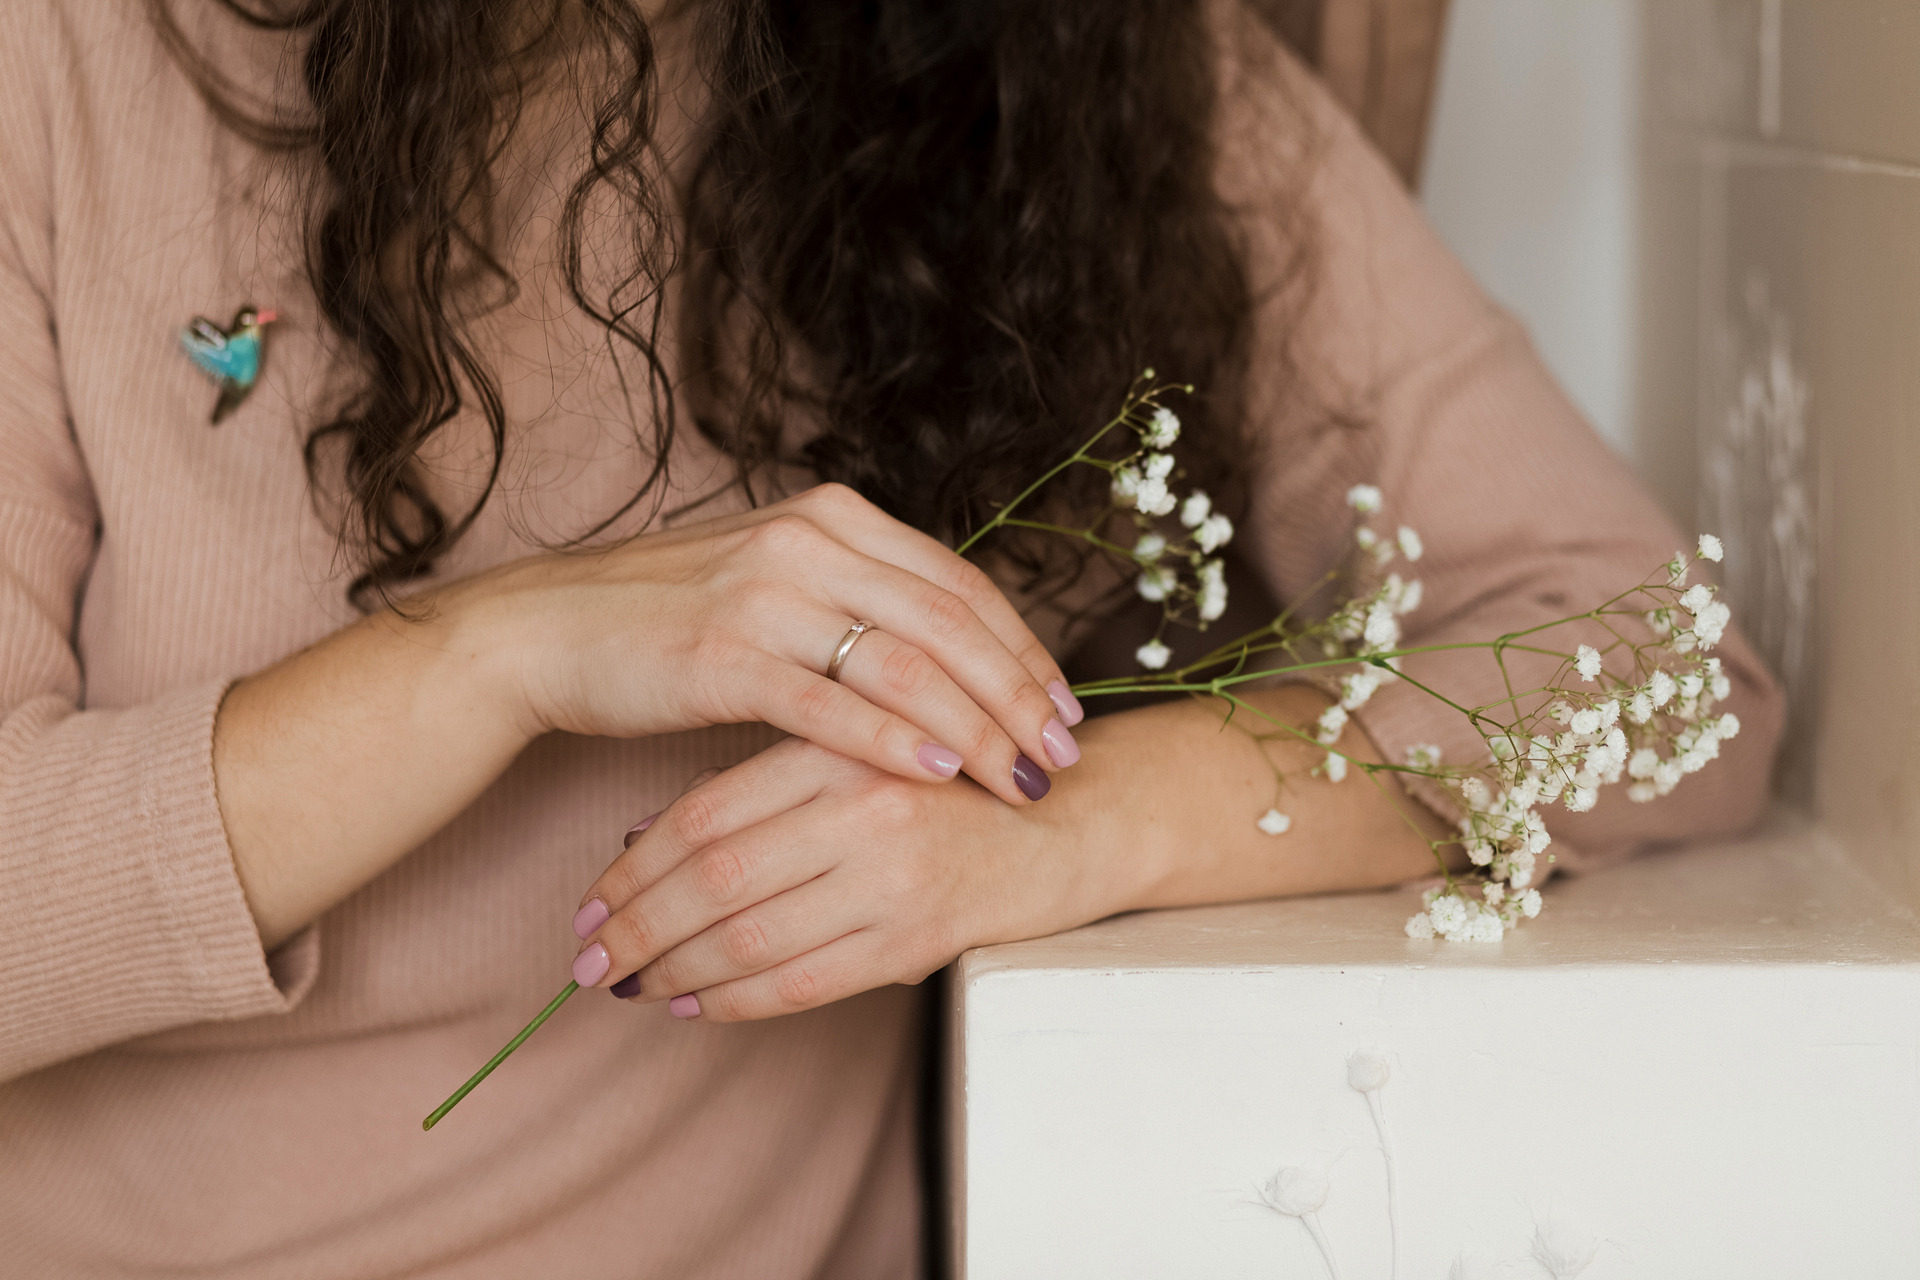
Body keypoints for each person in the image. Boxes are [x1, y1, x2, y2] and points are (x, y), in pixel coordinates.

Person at [0, 0, 1781, 1274]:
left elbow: (1663, 668)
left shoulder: (1092, 75)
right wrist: (500, 654)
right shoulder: (62, 61)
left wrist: (1075, 818)